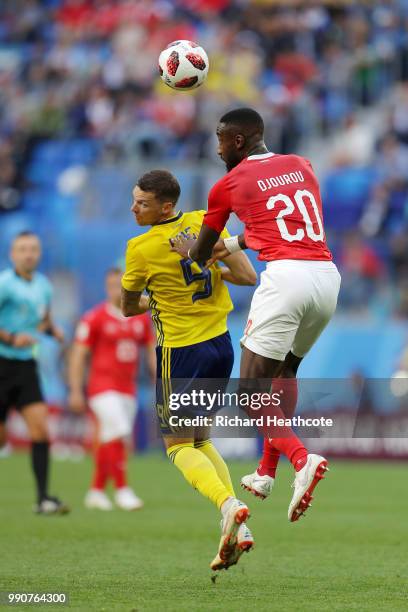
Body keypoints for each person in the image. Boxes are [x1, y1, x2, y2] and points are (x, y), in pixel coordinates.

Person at [172, 108, 341, 522]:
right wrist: (231, 247)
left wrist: (190, 251)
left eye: (220, 140)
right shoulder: (301, 166)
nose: (217, 148)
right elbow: (273, 223)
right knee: (284, 374)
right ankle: (266, 472)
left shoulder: (228, 184)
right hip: (326, 277)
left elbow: (199, 252)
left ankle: (302, 460)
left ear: (238, 142)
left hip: (285, 278)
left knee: (249, 391)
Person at [121, 169, 257, 570]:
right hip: (220, 346)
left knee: (178, 446)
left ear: (165, 206)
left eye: (141, 203)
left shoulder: (140, 248)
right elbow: (248, 277)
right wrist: (212, 269)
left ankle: (229, 505)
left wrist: (160, 297)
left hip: (179, 352)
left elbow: (128, 308)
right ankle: (236, 525)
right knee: (199, 438)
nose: (133, 208)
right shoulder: (204, 221)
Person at [68, 268, 156, 511]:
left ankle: (96, 491)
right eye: (111, 285)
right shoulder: (94, 318)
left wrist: (159, 377)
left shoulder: (139, 318)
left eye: (119, 285)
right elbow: (78, 354)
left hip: (128, 389)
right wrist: (75, 389)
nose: (115, 289)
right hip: (101, 387)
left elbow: (151, 350)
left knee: (112, 437)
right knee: (119, 430)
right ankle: (122, 490)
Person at [0, 231, 69, 514]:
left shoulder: (44, 285)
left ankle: (43, 499)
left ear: (39, 254)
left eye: (33, 249)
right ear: (12, 255)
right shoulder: (5, 284)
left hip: (26, 366)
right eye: (22, 249)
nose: (28, 253)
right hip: (2, 364)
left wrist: (53, 330)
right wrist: (12, 338)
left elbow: (43, 319)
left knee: (40, 430)